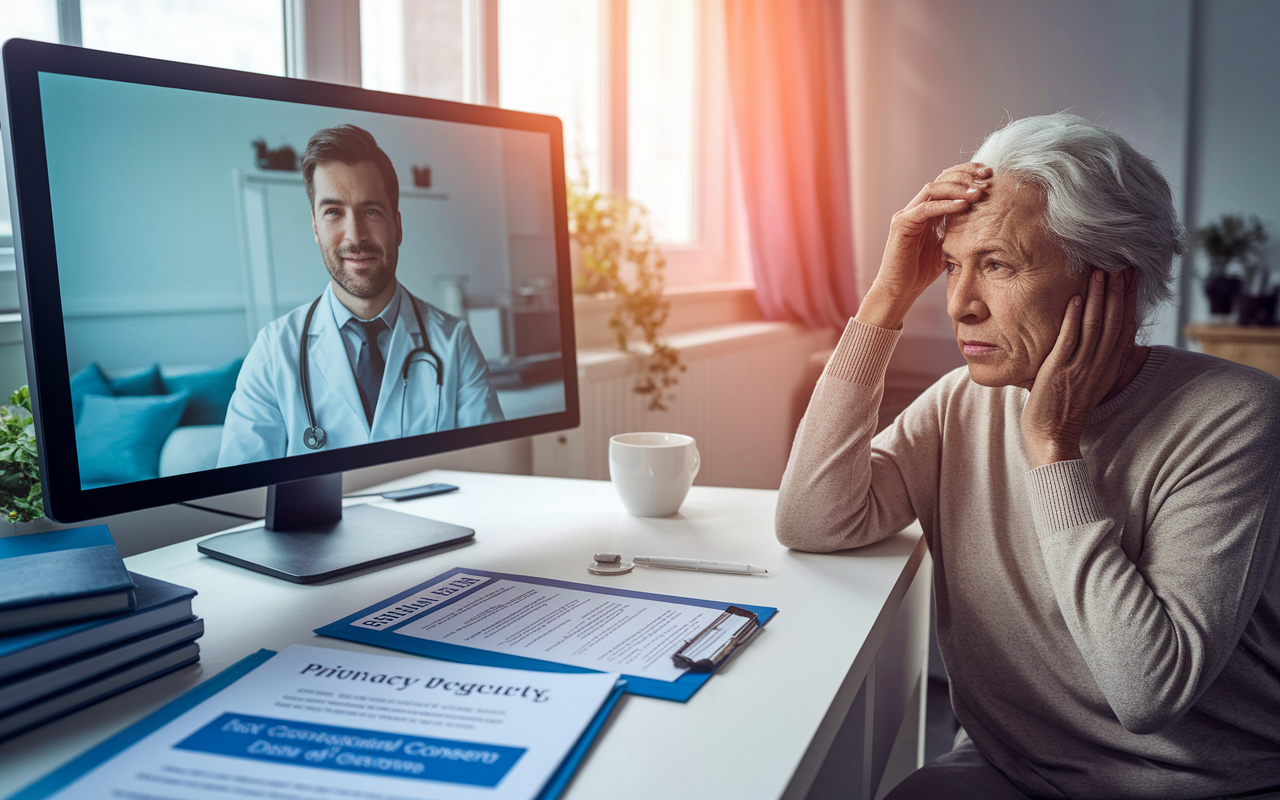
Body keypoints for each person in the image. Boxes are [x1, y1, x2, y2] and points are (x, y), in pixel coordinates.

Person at [777, 113, 1280, 799]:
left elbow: (1148, 690)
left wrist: (1054, 448)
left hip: (1199, 786)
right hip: (1010, 769)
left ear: (1112, 280)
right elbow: (812, 518)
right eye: (952, 265)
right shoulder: (963, 402)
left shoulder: (1236, 415)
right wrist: (887, 296)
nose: (958, 304)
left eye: (998, 265)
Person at [219, 124, 503, 466]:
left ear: (397, 225)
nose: (355, 236)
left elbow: (491, 475)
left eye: (371, 211)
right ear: (315, 227)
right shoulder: (272, 353)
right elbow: (241, 500)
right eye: (333, 212)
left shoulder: (453, 343)